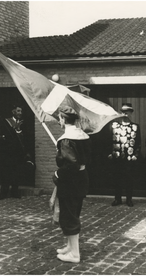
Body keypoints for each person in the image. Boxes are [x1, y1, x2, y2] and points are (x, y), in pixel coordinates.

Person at [53, 106, 91, 263]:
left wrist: (57, 174)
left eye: (59, 119)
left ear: (62, 119)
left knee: (69, 216)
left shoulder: (66, 139)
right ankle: (70, 247)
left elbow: (70, 165)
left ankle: (74, 254)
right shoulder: (83, 136)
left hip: (70, 182)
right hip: (81, 179)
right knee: (72, 212)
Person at [108, 103, 141, 207]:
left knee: (129, 179)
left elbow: (138, 142)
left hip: (129, 158)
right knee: (117, 179)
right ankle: (117, 199)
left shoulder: (135, 126)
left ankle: (129, 199)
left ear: (131, 113)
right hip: (117, 157)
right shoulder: (114, 126)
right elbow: (108, 140)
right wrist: (109, 152)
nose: (125, 114)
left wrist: (136, 154)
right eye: (123, 112)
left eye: (127, 112)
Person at [0, 104, 32, 200]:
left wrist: (19, 130)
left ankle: (14, 192)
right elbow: (3, 137)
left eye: (21, 111)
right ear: (13, 112)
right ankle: (3, 193)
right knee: (6, 173)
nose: (20, 113)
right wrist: (14, 129)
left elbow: (26, 138)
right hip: (7, 153)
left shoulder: (23, 123)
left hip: (18, 153)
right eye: (18, 111)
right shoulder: (6, 122)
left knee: (17, 173)